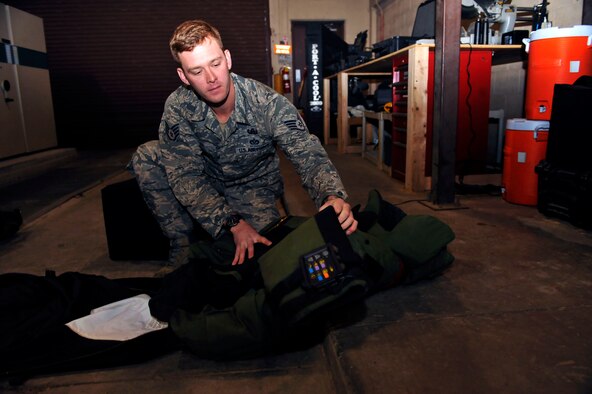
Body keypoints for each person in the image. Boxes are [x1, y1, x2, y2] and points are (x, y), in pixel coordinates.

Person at [129, 20, 357, 267]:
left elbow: (307, 153)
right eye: (197, 71)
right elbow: (185, 175)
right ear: (183, 76)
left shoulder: (267, 104)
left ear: (227, 59)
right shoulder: (178, 107)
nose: (211, 78)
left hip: (252, 186)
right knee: (147, 154)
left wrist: (331, 195)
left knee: (264, 256)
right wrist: (232, 223)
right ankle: (182, 244)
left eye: (215, 64)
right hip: (207, 180)